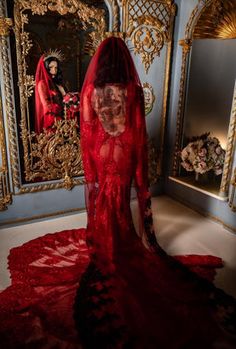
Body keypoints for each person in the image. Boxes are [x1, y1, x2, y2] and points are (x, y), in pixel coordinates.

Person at [74, 36, 236, 348]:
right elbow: (136, 128)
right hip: (123, 149)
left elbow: (87, 126)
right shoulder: (132, 89)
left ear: (100, 61)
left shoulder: (91, 91)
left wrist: (94, 162)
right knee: (120, 198)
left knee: (104, 197)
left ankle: (106, 243)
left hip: (101, 148)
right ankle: (120, 243)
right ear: (123, 61)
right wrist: (136, 163)